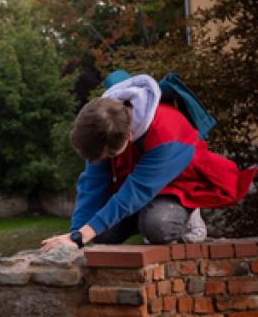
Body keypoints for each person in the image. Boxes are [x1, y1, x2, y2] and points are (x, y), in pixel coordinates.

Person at [41, 73, 257, 252]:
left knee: (157, 226)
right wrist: (75, 235)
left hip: (177, 182)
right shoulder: (102, 123)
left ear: (128, 138)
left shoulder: (167, 134)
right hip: (137, 183)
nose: (102, 161)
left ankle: (189, 220)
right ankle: (143, 216)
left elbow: (134, 192)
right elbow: (92, 185)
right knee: (101, 232)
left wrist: (82, 235)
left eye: (107, 157)